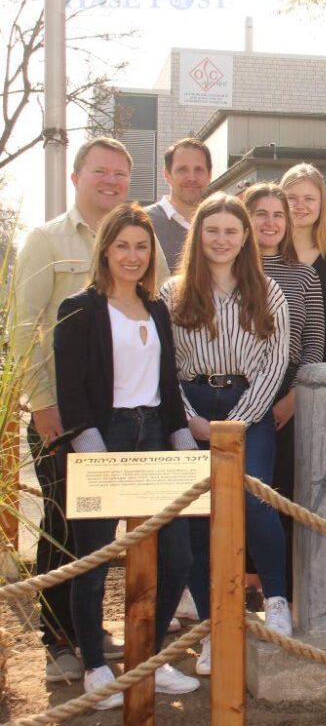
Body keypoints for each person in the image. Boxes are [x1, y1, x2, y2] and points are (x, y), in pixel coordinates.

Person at [13, 137, 168, 684]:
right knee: (66, 531)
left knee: (122, 537)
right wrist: (45, 403)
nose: (112, 181)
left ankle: (98, 637)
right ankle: (59, 642)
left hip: (130, 413)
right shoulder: (45, 239)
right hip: (63, 414)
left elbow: (154, 314)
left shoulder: (140, 238)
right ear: (77, 176)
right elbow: (22, 327)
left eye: (121, 174)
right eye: (101, 171)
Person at [54, 205, 201, 708]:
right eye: (123, 246)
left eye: (141, 247)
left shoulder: (157, 308)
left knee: (177, 557)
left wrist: (183, 445)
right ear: (106, 250)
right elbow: (71, 393)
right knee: (93, 560)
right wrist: (95, 457)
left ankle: (147, 661)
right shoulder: (79, 308)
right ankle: (95, 667)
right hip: (104, 436)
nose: (133, 256)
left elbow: (167, 384)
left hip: (156, 435)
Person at [161, 193, 291, 676]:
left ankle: (277, 599)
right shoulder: (171, 293)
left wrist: (240, 419)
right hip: (193, 409)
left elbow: (276, 360)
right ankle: (217, 622)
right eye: (212, 230)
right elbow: (165, 366)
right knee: (199, 517)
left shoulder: (267, 291)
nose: (221, 239)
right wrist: (192, 419)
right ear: (199, 236)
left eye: (231, 231)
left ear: (244, 238)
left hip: (247, 410)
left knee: (255, 502)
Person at [244, 182, 326, 599]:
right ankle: (242, 583)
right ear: (247, 217)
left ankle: (283, 592)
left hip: (287, 390)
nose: (271, 222)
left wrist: (293, 396)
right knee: (241, 490)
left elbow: (314, 343)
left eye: (279, 215)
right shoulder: (233, 268)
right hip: (240, 385)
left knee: (281, 491)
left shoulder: (303, 274)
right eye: (262, 214)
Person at [281, 163, 326, 363]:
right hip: (264, 377)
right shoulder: (263, 253)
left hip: (320, 375)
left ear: (321, 203)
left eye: (309, 198)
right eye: (291, 198)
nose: (300, 205)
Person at [145, 138, 213, 272]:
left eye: (198, 170)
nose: (191, 178)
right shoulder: (144, 222)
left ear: (209, 175)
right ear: (166, 174)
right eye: (182, 170)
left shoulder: (221, 225)